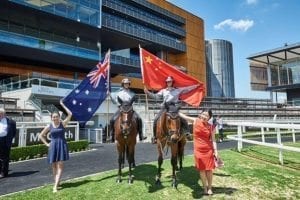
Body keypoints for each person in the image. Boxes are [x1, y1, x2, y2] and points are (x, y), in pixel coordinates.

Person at [144, 76, 199, 143]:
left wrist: (196, 85)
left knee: (183, 119)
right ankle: (155, 137)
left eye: (170, 81)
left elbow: (187, 89)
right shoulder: (163, 91)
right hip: (165, 107)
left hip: (174, 108)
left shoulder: (177, 90)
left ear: (172, 82)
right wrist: (148, 92)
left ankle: (187, 133)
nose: (168, 82)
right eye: (167, 82)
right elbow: (156, 96)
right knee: (156, 119)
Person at [179, 109, 219, 195]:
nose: (204, 117)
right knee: (202, 170)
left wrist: (216, 151)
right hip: (198, 151)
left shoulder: (211, 127)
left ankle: (210, 188)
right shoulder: (195, 121)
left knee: (209, 170)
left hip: (208, 150)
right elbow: (184, 117)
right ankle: (204, 188)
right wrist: (173, 109)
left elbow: (213, 140)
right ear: (200, 114)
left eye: (207, 116)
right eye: (203, 114)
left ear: (209, 118)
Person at [39, 99, 72, 193]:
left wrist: (62, 104)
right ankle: (57, 182)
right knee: (54, 166)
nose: (55, 118)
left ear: (59, 117)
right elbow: (41, 135)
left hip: (62, 145)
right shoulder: (49, 126)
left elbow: (70, 114)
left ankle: (55, 186)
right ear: (51, 118)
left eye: (56, 117)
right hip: (53, 146)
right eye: (53, 117)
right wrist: (46, 144)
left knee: (60, 165)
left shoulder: (63, 124)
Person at [109, 78, 146, 142]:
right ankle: (111, 136)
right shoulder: (118, 93)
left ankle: (141, 135)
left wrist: (133, 102)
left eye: (127, 83)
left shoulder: (132, 93)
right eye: (125, 84)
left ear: (129, 84)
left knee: (139, 119)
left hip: (130, 110)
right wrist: (109, 95)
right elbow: (115, 101)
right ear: (123, 84)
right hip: (121, 109)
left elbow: (134, 101)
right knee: (112, 119)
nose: (126, 85)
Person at [0, 108, 16, 178]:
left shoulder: (11, 121)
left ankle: (4, 173)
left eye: (1, 113)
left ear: (4, 114)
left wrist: (9, 139)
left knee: (5, 158)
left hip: (6, 141)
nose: (0, 115)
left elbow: (14, 132)